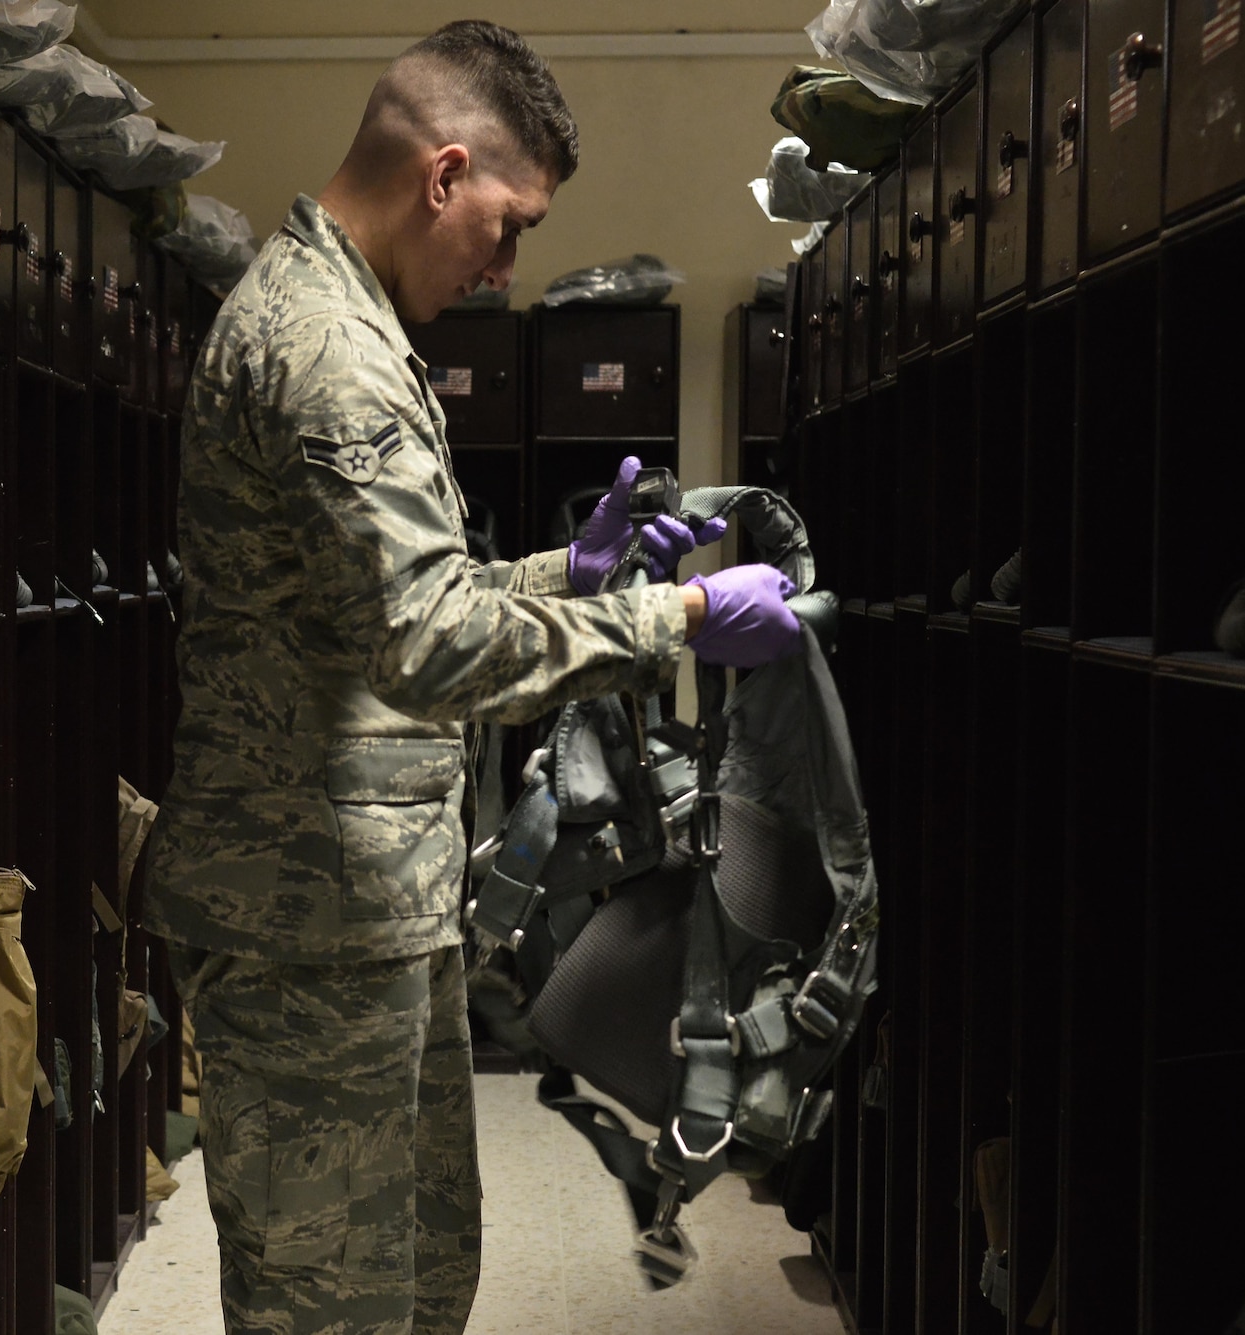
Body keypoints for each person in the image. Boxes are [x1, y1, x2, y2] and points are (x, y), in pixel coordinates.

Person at [144, 21, 805, 1335]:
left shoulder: (336, 319)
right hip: (309, 932)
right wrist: (675, 620)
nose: (509, 264)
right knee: (331, 1301)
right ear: (444, 173)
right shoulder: (332, 355)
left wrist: (580, 572)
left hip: (350, 908)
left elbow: (375, 609)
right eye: (509, 224)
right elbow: (429, 647)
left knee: (416, 1273)